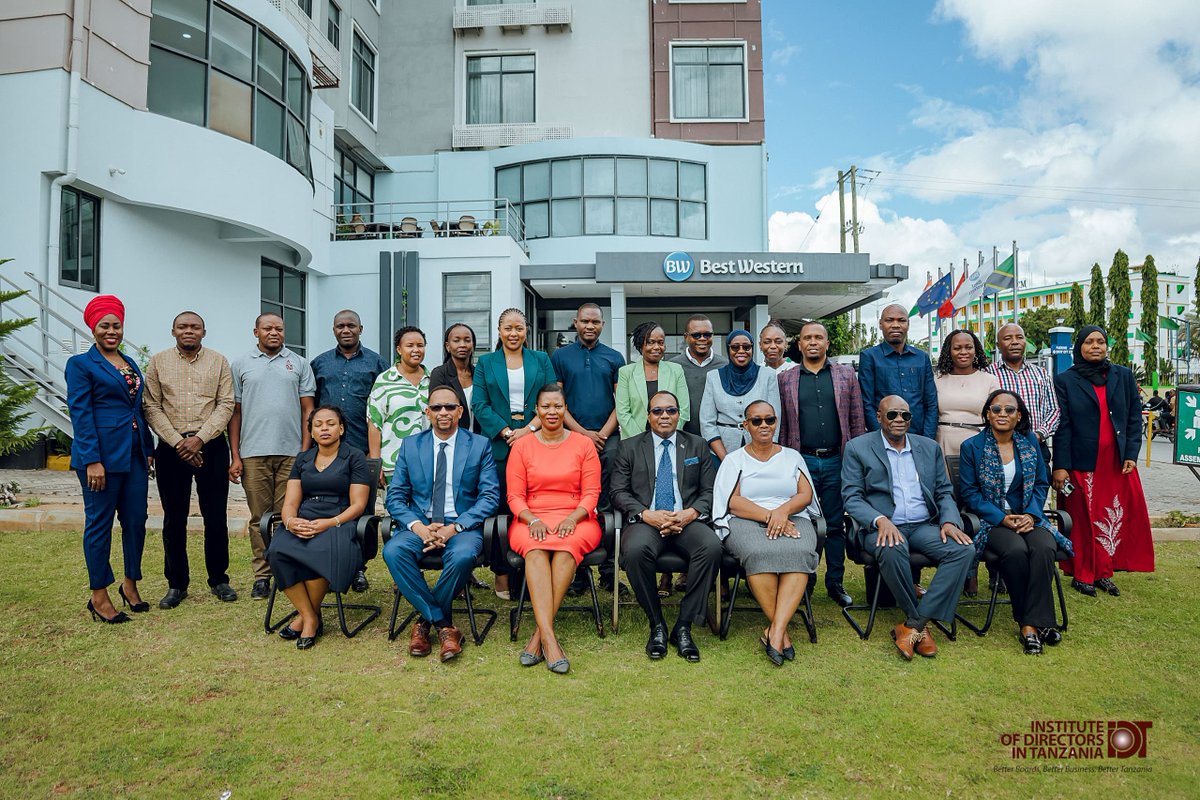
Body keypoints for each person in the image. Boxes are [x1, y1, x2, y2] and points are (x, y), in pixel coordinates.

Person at [841, 395, 974, 661]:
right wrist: (880, 520)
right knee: (891, 546)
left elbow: (944, 491)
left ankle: (914, 624)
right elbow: (852, 497)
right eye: (892, 415)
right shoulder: (858, 447)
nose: (899, 420)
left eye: (905, 415)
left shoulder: (927, 447)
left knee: (963, 550)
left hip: (924, 525)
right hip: (882, 526)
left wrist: (949, 520)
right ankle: (920, 624)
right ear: (879, 417)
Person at [382, 386, 500, 662]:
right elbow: (396, 496)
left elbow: (490, 496)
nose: (443, 412)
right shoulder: (411, 445)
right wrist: (418, 527)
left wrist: (454, 527)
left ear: (460, 411)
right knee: (393, 552)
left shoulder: (479, 445)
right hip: (421, 524)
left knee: (462, 556)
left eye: (449, 407)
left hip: (461, 527)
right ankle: (444, 625)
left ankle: (423, 624)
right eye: (436, 408)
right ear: (427, 412)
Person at [959, 390, 1074, 654]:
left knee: (1044, 547)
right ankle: (1032, 625)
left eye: (1009, 410)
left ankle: (1032, 623)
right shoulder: (972, 447)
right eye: (996, 409)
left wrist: (1031, 515)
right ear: (987, 414)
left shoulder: (1029, 444)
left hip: (1028, 516)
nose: (1002, 414)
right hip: (993, 521)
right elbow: (970, 493)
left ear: (1018, 415)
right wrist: (1003, 518)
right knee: (1016, 551)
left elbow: (1041, 484)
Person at [610, 390, 719, 662]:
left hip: (686, 519)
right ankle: (656, 622)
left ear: (679, 414)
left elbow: (710, 490)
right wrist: (645, 514)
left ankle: (683, 625)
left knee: (712, 547)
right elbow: (618, 491)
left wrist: (690, 513)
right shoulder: (630, 447)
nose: (664, 416)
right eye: (657, 411)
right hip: (647, 520)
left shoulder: (697, 445)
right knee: (634, 551)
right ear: (648, 416)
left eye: (670, 410)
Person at [66, 295, 154, 624]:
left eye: (116, 325)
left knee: (136, 521)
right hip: (101, 458)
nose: (111, 331)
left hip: (133, 455)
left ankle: (130, 584)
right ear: (94, 328)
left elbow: (136, 409)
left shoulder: (129, 362)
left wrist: (147, 450)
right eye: (105, 325)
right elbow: (81, 413)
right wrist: (91, 460)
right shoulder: (81, 365)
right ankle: (99, 595)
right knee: (100, 526)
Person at [712, 401, 821, 666]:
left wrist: (783, 512)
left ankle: (775, 631)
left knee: (800, 552)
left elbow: (805, 495)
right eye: (757, 421)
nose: (764, 425)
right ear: (745, 425)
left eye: (769, 420)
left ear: (776, 422)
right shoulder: (734, 460)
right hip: (746, 519)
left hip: (793, 516)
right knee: (759, 552)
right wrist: (772, 516)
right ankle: (780, 631)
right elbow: (732, 502)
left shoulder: (792, 457)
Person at [142, 311, 237, 609]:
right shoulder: (158, 362)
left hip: (211, 445)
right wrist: (179, 442)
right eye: (183, 327)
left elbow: (226, 404)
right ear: (173, 331)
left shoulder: (219, 361)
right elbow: (151, 405)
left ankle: (219, 578)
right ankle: (176, 583)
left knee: (215, 516)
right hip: (171, 449)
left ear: (203, 332)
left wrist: (200, 439)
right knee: (174, 518)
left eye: (195, 327)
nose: (189, 331)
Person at [506, 384, 602, 675]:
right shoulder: (523, 445)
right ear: (536, 410)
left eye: (557, 406)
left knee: (565, 550)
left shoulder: (583, 444)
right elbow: (514, 495)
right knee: (534, 550)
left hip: (577, 517)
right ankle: (549, 638)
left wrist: (573, 518)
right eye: (545, 406)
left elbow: (592, 491)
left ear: (565, 410)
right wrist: (531, 519)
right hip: (530, 517)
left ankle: (538, 637)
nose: (551, 412)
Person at [1052, 326, 1155, 597]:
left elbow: (1134, 418)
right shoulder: (1065, 380)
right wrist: (1060, 466)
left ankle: (1104, 571)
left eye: (1100, 341)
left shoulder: (1122, 375)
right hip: (1080, 462)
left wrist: (1131, 454)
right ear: (1080, 347)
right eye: (1089, 342)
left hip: (1115, 462)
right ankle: (1083, 573)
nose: (1095, 346)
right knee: (1083, 519)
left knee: (1112, 515)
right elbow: (1062, 426)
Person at [266, 406, 370, 649]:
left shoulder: (354, 457)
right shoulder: (302, 458)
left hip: (340, 520)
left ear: (341, 428)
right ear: (311, 432)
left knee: (322, 551)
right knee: (277, 551)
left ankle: (306, 621)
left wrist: (330, 522)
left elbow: (359, 504)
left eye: (331, 423)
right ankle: (311, 615)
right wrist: (291, 522)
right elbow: (290, 502)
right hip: (305, 518)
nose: (324, 428)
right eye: (318, 424)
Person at [777, 320, 866, 608]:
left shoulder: (846, 376)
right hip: (801, 461)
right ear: (799, 344)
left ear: (827, 343)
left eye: (818, 337)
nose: (813, 342)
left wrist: (857, 459)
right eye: (807, 338)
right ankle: (806, 580)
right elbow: (783, 426)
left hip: (836, 461)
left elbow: (857, 420)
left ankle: (835, 582)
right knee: (803, 523)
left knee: (835, 524)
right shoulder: (786, 379)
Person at [472, 308, 558, 600]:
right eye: (508, 328)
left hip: (537, 440)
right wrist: (508, 432)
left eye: (519, 328)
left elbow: (551, 397)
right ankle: (502, 573)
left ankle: (531, 574)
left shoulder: (541, 359)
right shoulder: (485, 362)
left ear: (526, 331)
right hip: (498, 444)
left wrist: (529, 429)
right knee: (499, 511)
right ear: (499, 331)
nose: (513, 333)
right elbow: (480, 405)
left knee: (533, 507)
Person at [228, 312, 315, 600]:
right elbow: (235, 413)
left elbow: (308, 411)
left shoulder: (299, 363)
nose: (274, 332)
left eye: (279, 328)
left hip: (292, 454)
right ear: (256, 332)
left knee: (287, 515)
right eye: (268, 328)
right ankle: (262, 576)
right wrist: (236, 455)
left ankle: (285, 570)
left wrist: (305, 451)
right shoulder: (241, 365)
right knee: (259, 518)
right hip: (253, 454)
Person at [551, 303, 626, 596]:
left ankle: (608, 571)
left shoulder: (614, 357)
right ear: (575, 323)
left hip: (609, 441)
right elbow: (558, 402)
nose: (590, 326)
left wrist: (603, 434)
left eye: (595, 322)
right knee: (575, 505)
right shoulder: (560, 356)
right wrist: (582, 434)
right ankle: (579, 574)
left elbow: (622, 403)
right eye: (585, 321)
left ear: (602, 325)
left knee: (608, 505)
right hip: (571, 440)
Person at [311, 310, 390, 456]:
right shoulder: (319, 363)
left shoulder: (377, 363)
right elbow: (311, 404)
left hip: (363, 447)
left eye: (351, 326)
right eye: (340, 326)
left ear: (360, 329)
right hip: (324, 448)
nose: (346, 330)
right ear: (334, 330)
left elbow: (386, 407)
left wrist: (375, 452)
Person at [859, 304, 938, 439]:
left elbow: (931, 403)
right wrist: (881, 439)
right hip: (884, 439)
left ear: (908, 324)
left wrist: (927, 439)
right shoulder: (869, 357)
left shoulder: (921, 358)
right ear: (880, 324)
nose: (896, 325)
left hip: (919, 437)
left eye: (901, 320)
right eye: (889, 320)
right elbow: (867, 403)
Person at [985, 323, 1059, 464]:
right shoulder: (988, 374)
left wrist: (1039, 434)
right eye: (1007, 338)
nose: (1014, 342)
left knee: (1039, 485)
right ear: (998, 345)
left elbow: (1054, 410)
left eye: (1019, 337)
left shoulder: (1040, 373)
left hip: (1036, 445)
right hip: (999, 446)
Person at [700, 330, 779, 460]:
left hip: (760, 449)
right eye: (735, 347)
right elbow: (706, 422)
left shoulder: (768, 375)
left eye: (746, 347)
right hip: (721, 449)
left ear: (752, 348)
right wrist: (725, 458)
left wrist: (768, 452)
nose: (741, 351)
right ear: (728, 349)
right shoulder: (713, 377)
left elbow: (775, 417)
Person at [368, 326, 430, 486]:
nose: (416, 350)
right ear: (399, 349)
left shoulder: (433, 379)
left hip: (428, 463)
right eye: (410, 345)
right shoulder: (385, 380)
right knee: (396, 509)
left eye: (420, 345)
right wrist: (376, 463)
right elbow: (374, 424)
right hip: (394, 464)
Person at [934, 329, 1000, 469]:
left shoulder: (990, 380)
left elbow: (995, 416)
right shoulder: (937, 380)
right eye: (957, 348)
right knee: (946, 489)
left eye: (968, 347)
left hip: (978, 443)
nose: (963, 352)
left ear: (975, 350)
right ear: (949, 351)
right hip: (944, 442)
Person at [616, 321, 691, 439]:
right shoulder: (626, 373)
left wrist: (667, 435)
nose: (656, 347)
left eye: (660, 342)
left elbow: (684, 410)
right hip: (634, 442)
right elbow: (623, 413)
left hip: (669, 440)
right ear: (641, 345)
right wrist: (642, 441)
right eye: (650, 342)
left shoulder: (676, 370)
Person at [669, 313, 727, 438]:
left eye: (707, 334)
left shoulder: (725, 365)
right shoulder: (672, 366)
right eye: (696, 335)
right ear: (686, 337)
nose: (702, 338)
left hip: (718, 439)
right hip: (683, 438)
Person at [428, 323, 480, 432]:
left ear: (473, 345)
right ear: (448, 346)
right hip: (451, 437)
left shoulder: (479, 374)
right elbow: (437, 409)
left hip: (478, 438)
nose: (462, 345)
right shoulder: (439, 374)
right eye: (456, 341)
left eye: (467, 340)